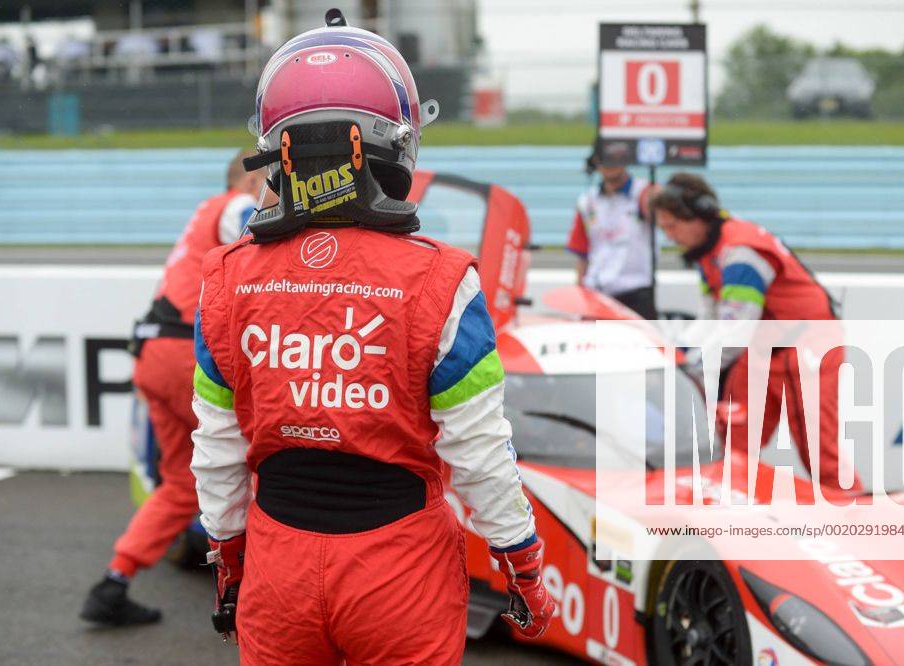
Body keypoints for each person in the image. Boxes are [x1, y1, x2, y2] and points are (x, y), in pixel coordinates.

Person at [190, 11, 555, 665]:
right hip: (402, 571)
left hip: (277, 567)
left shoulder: (224, 278)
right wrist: (523, 567)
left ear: (275, 149)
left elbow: (216, 454)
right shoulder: (444, 278)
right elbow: (479, 453)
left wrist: (229, 564)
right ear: (396, 143)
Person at [80, 150, 263, 626]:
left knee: (180, 482)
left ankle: (113, 583)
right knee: (264, 459)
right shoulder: (236, 206)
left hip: (155, 355)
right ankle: (259, 594)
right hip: (185, 357)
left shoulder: (205, 210)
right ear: (255, 178)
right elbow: (261, 252)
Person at [649, 172, 861, 491]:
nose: (669, 236)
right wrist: (677, 356)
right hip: (764, 349)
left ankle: (858, 522)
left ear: (699, 216)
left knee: (820, 455)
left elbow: (734, 334)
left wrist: (687, 371)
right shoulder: (708, 252)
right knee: (726, 446)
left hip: (806, 349)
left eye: (672, 226)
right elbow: (710, 321)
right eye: (663, 228)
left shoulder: (740, 254)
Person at [566, 141, 657, 319]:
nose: (610, 165)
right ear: (595, 163)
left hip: (636, 293)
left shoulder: (643, 192)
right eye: (605, 159)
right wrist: (580, 298)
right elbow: (582, 255)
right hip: (597, 294)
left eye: (616, 159)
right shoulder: (587, 201)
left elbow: (661, 208)